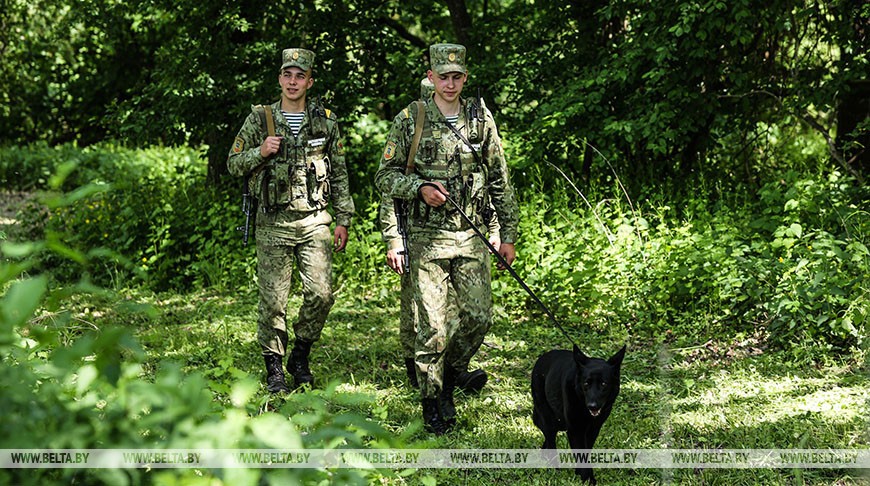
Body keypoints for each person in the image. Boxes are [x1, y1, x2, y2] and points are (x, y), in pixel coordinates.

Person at [374, 44, 519, 434]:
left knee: (478, 317)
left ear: (465, 78)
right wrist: (420, 187)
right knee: (433, 327)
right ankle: (432, 400)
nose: (450, 83)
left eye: (457, 77)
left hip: (471, 236)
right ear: (431, 77)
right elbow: (384, 177)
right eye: (443, 77)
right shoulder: (412, 118)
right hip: (427, 238)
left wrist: (508, 234)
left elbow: (500, 180)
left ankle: (450, 377)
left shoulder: (479, 120)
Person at [227, 48, 354, 393]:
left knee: (321, 294)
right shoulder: (260, 119)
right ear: (279, 79)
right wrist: (260, 151)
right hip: (273, 223)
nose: (293, 81)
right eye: (287, 75)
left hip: (315, 221)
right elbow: (233, 163)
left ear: (309, 81)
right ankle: (275, 369)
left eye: (300, 76)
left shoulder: (325, 121)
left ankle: (300, 353)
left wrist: (343, 218)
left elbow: (339, 173)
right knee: (273, 301)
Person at [378, 76, 502, 391]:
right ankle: (420, 373)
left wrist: (497, 228)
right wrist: (394, 239)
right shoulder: (411, 124)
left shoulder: (473, 124)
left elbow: (487, 184)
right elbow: (389, 191)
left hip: (464, 235)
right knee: (419, 312)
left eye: (455, 79)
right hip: (420, 233)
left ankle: (448, 371)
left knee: (462, 313)